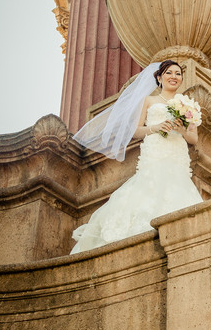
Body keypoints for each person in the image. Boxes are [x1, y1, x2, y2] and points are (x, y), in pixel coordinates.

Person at [70, 60, 203, 254]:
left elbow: (193, 138)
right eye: (169, 73)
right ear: (159, 77)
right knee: (150, 184)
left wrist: (181, 129)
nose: (174, 77)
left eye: (178, 73)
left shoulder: (187, 104)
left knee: (177, 185)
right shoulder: (149, 101)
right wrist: (155, 128)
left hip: (177, 152)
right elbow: (134, 130)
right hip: (156, 148)